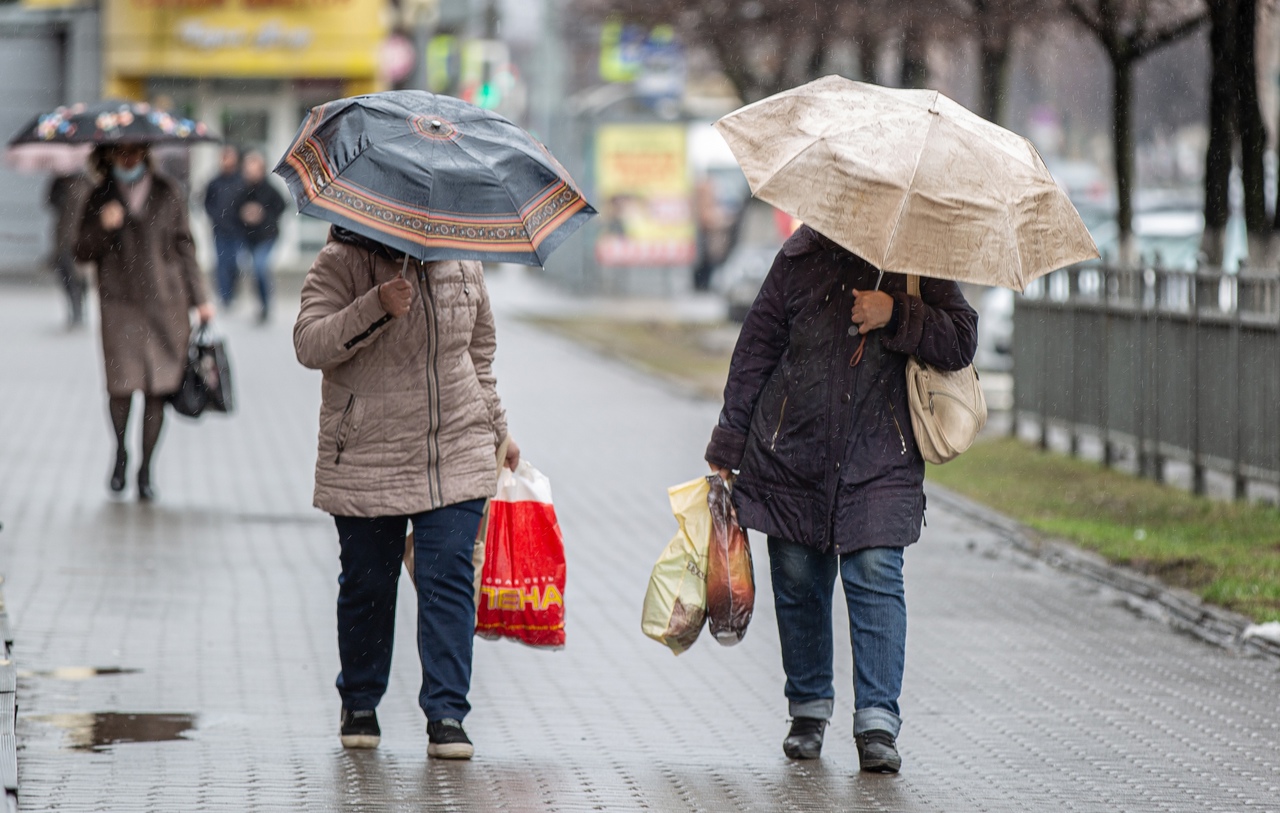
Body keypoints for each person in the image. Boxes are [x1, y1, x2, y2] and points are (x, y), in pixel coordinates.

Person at [704, 225, 977, 773]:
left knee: (876, 572)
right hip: (793, 451)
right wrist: (727, 445)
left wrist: (896, 313)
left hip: (883, 454)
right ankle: (807, 709)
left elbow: (961, 340)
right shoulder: (799, 255)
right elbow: (755, 350)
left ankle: (877, 720)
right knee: (798, 578)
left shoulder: (917, 255)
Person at [293, 224, 518, 759]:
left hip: (455, 447)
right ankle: (361, 701)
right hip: (373, 447)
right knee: (370, 582)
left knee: (449, 575)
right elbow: (309, 343)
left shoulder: (463, 258)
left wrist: (499, 428)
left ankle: (446, 713)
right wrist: (375, 305)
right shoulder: (341, 260)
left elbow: (478, 354)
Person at [76, 143, 215, 501]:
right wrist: (104, 228)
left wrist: (201, 299)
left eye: (136, 151)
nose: (129, 158)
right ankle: (121, 451)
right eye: (122, 152)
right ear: (109, 156)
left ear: (145, 153)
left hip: (166, 303)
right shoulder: (99, 194)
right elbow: (81, 250)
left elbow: (186, 246)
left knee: (158, 389)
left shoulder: (168, 191)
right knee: (121, 387)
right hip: (119, 304)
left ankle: (146, 470)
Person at [233, 151, 286, 322]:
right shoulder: (241, 188)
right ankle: (261, 304)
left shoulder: (269, 189)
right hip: (248, 237)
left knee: (260, 266)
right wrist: (245, 214)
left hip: (267, 235)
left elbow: (281, 207)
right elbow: (231, 210)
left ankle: (266, 304)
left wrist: (262, 214)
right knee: (254, 270)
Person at [46, 170, 93, 326]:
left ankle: (79, 309)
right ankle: (74, 309)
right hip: (62, 239)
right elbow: (49, 203)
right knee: (65, 276)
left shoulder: (84, 184)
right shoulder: (59, 184)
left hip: (80, 239)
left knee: (78, 277)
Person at [203, 146, 245, 307]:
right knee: (221, 262)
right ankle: (224, 295)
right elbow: (207, 202)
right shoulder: (215, 182)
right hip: (219, 229)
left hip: (237, 229)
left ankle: (232, 291)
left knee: (234, 262)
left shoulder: (241, 180)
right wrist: (215, 216)